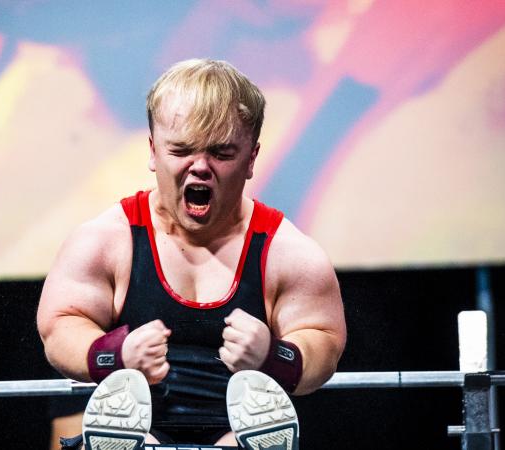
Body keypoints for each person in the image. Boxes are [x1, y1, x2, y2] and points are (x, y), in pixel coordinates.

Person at [37, 59, 346, 449]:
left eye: (221, 153)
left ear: (251, 158)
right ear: (153, 151)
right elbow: (59, 328)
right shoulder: (104, 240)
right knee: (127, 441)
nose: (200, 167)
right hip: (136, 421)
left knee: (242, 444)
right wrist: (114, 353)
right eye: (182, 150)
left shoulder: (291, 254)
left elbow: (324, 346)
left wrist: (274, 355)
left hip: (238, 428)